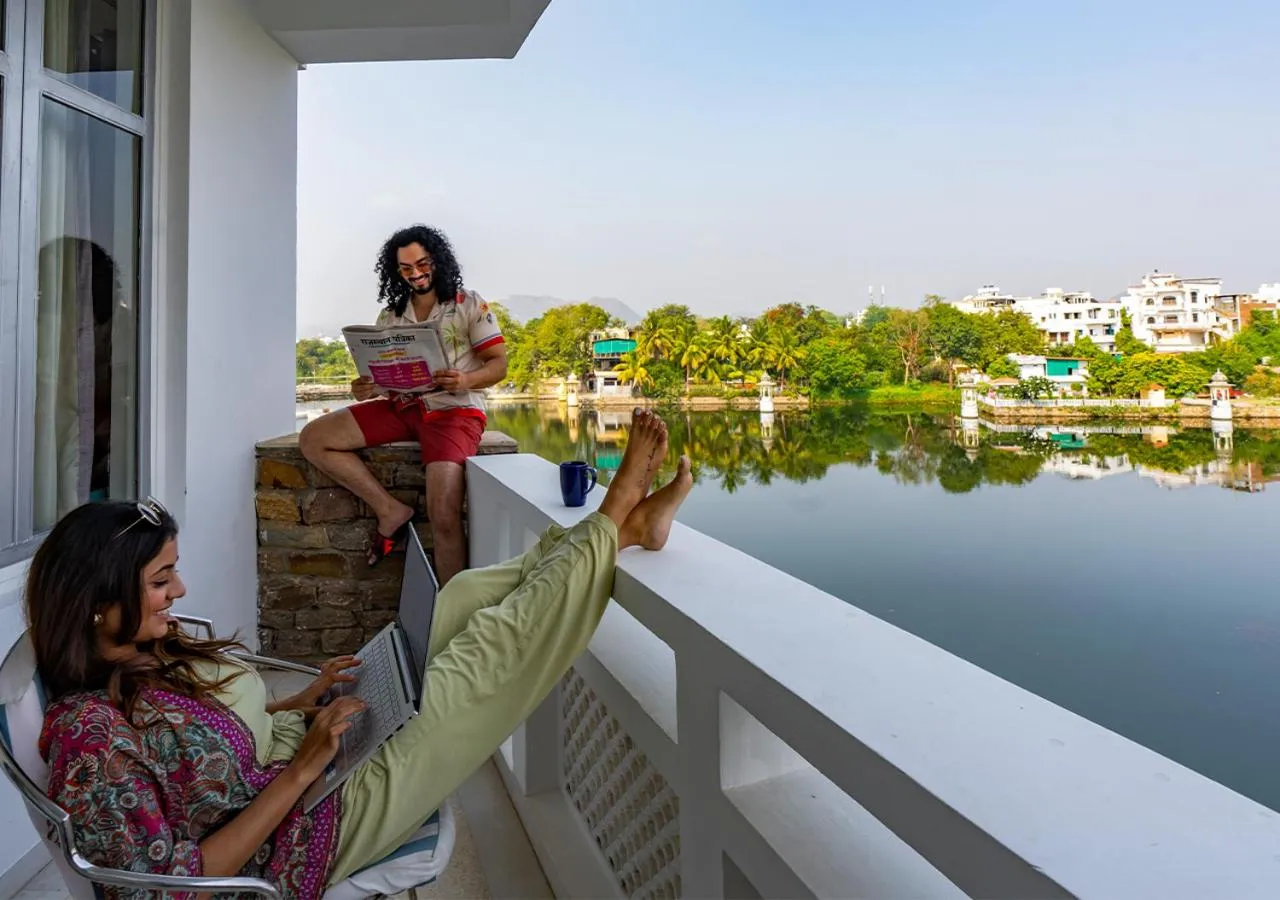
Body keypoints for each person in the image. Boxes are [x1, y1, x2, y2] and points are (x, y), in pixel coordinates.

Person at [30, 410, 691, 900]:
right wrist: (301, 770)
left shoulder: (143, 651)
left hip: (305, 753)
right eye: (159, 580)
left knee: (461, 599)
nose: (180, 590)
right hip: (307, 826)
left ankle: (619, 532)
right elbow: (166, 889)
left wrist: (304, 701)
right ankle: (614, 520)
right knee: (486, 655)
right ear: (98, 601)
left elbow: (210, 737)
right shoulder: (89, 741)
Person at [299, 225, 508, 583]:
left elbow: (499, 365)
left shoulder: (469, 304)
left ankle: (451, 615)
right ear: (396, 272)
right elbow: (386, 377)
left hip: (453, 411)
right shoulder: (391, 315)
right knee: (313, 438)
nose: (416, 274)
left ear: (437, 261)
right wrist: (367, 387)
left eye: (423, 264)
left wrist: (465, 380)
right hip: (402, 406)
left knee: (443, 513)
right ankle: (390, 510)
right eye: (406, 268)